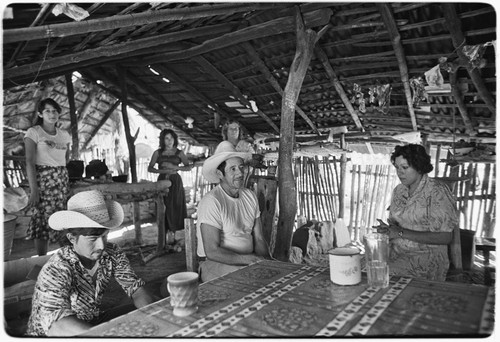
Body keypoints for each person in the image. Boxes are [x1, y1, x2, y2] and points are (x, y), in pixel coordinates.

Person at [26, 190, 154, 336]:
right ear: (72, 238)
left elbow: (135, 289)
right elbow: (57, 325)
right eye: (93, 239)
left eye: (105, 236)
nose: (101, 246)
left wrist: (154, 315)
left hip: (90, 321)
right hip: (52, 334)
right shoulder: (56, 269)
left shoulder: (112, 253)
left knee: (144, 313)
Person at [373, 144, 459, 281]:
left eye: (405, 167)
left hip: (426, 257)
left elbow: (445, 237)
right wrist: (388, 230)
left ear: (419, 167)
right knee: (365, 267)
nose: (399, 172)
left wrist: (400, 233)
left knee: (381, 275)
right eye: (397, 167)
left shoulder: (437, 192)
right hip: (397, 252)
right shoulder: (399, 191)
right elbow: (395, 225)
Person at [197, 143, 269, 282]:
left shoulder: (250, 196)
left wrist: (267, 262)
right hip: (216, 263)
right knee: (252, 281)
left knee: (274, 277)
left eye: (242, 167)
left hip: (247, 262)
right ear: (220, 174)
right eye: (233, 169)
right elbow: (212, 251)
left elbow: (259, 238)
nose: (240, 173)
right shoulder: (212, 201)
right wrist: (249, 260)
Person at [24, 98, 72, 255]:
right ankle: (41, 259)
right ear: (40, 113)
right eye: (48, 111)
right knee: (42, 221)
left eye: (55, 111)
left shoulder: (64, 135)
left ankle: (66, 260)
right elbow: (30, 162)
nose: (52, 114)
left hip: (61, 181)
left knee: (63, 219)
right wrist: (34, 190)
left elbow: (65, 160)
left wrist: (64, 181)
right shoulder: (34, 132)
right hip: (44, 182)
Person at [148, 129, 192, 235]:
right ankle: (165, 231)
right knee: (163, 205)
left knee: (175, 205)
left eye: (171, 138)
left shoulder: (179, 153)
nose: (169, 141)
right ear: (163, 140)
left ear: (174, 139)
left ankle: (174, 233)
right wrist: (163, 171)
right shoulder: (157, 153)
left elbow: (188, 167)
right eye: (166, 138)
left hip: (175, 181)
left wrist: (175, 167)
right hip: (162, 181)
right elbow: (150, 168)